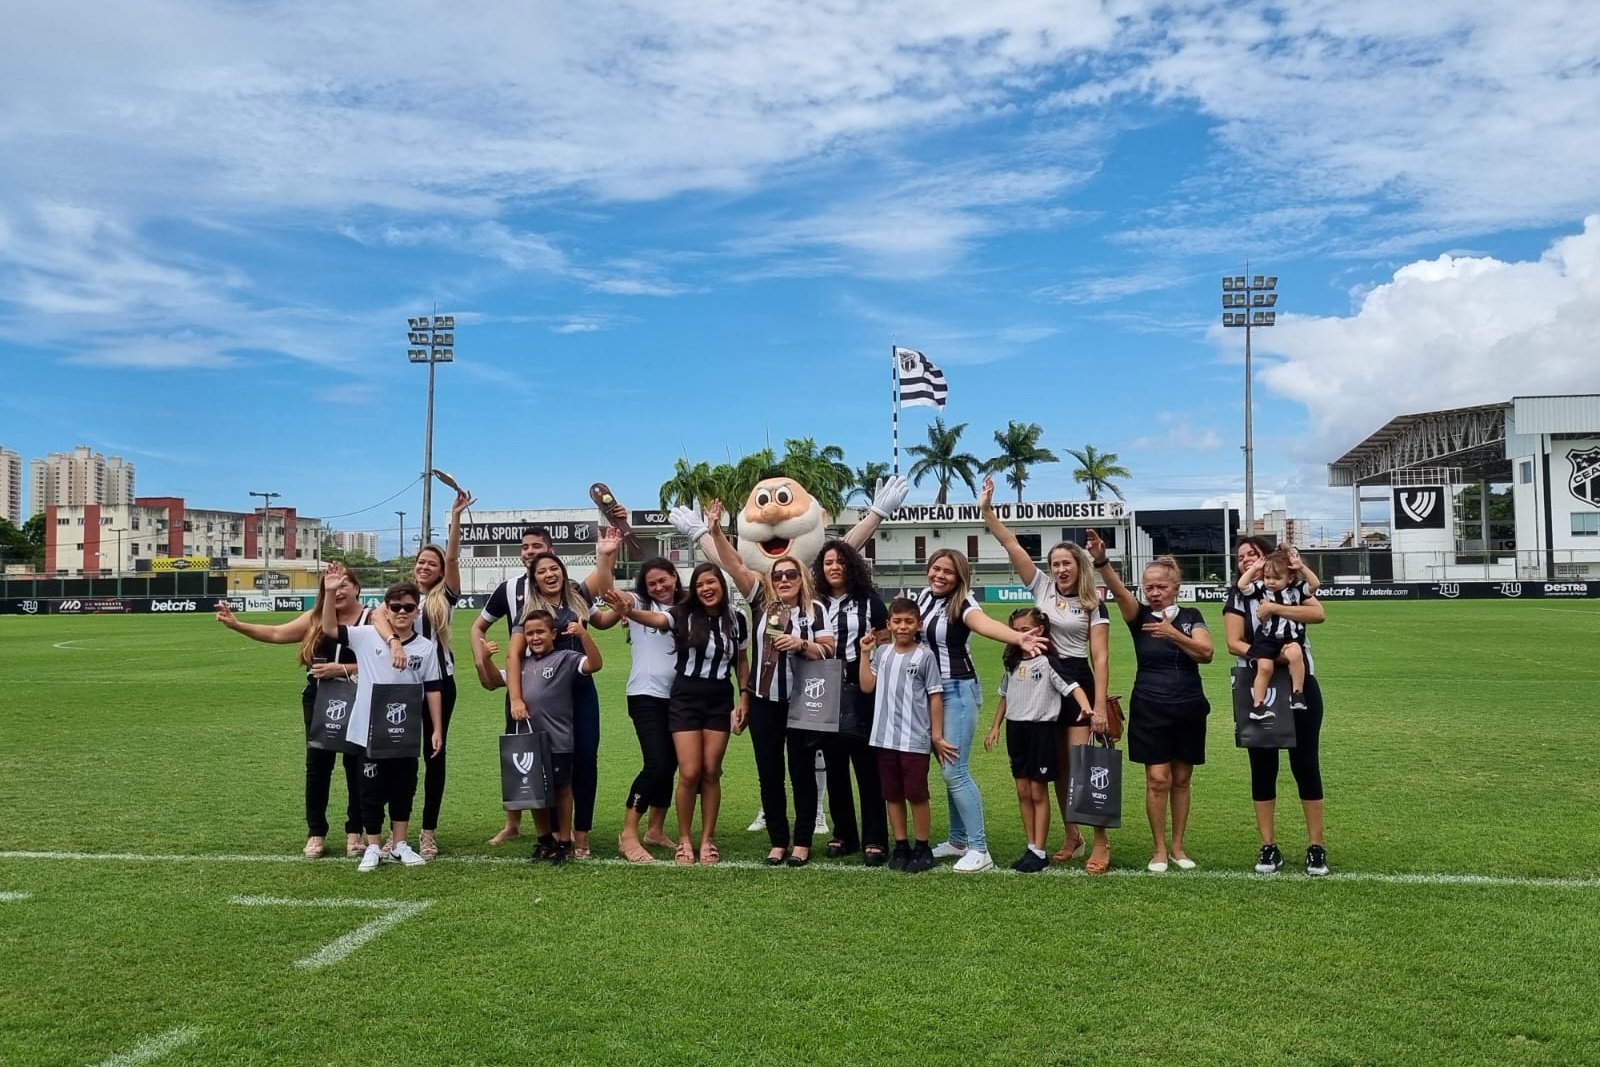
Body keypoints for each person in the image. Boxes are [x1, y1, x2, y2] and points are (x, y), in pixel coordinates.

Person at [979, 475, 1113, 872]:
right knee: (1054, 766)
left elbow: (1101, 657)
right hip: (1043, 680)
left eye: (1066, 563)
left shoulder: (1092, 604)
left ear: (1079, 566)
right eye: (1054, 564)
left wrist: (1099, 707)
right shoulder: (1041, 589)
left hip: (1077, 682)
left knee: (1082, 764)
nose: (1059, 570)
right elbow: (1011, 544)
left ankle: (1100, 843)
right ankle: (1072, 834)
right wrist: (987, 510)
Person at [703, 500, 836, 867]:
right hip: (765, 700)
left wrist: (801, 644)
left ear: (802, 578)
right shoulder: (762, 602)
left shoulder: (817, 609)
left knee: (802, 773)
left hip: (804, 702)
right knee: (769, 773)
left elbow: (829, 650)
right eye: (778, 576)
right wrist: (714, 530)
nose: (783, 581)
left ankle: (802, 842)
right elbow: (734, 564)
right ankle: (778, 840)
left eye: (790, 575)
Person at [471, 525, 619, 850]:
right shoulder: (529, 612)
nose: (549, 574)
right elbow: (512, 656)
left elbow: (602, 621)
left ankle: (581, 834)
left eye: (554, 569)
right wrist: (516, 698)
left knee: (584, 759)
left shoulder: (578, 595)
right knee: (544, 761)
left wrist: (621, 607)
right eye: (542, 571)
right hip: (545, 695)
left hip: (579, 690)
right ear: (534, 578)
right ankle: (552, 834)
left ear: (563, 572)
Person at [214, 560, 367, 858]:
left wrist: (343, 669)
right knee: (318, 765)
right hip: (320, 698)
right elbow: (275, 633)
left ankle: (355, 831)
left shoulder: (373, 618)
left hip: (359, 696)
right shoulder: (316, 618)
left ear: (357, 587)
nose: (338, 590)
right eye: (331, 584)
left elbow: (384, 659)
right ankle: (316, 832)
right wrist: (237, 625)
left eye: (345, 583)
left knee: (356, 764)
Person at [603, 563, 749, 865]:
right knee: (677, 769)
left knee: (708, 770)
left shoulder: (736, 619)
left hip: (712, 697)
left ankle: (693, 837)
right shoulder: (680, 612)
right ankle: (644, 834)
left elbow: (742, 660)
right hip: (666, 695)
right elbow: (655, 618)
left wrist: (745, 696)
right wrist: (626, 611)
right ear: (694, 589)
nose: (706, 589)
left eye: (712, 582)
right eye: (700, 584)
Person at [916, 548, 1047, 874]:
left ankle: (979, 848)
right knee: (948, 770)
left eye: (947, 571)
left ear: (960, 577)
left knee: (954, 771)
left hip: (957, 692)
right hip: (931, 692)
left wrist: (1019, 637)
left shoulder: (964, 603)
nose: (939, 575)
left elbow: (985, 625)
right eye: (935, 568)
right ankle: (958, 839)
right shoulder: (924, 597)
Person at [1089, 535, 1213, 873]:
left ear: (1176, 588)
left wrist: (1173, 634)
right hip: (1150, 706)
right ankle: (1159, 850)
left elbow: (1207, 653)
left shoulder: (1191, 615)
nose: (1153, 592)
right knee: (1158, 778)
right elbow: (1117, 592)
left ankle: (1178, 847)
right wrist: (1101, 562)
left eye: (1160, 586)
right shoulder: (1139, 615)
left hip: (1188, 706)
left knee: (1182, 779)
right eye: (1149, 587)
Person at [371, 487, 473, 858]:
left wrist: (456, 516)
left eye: (433, 563)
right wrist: (394, 642)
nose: (425, 567)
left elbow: (455, 557)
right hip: (401, 683)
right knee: (396, 756)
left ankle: (428, 831)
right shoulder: (403, 599)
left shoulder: (443, 597)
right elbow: (378, 616)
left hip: (439, 683)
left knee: (434, 755)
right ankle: (393, 833)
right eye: (421, 562)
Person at [320, 576, 444, 872]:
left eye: (409, 607)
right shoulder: (365, 636)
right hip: (369, 731)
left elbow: (433, 688)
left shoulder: (426, 648)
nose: (402, 612)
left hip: (405, 733)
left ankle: (400, 844)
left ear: (417, 612)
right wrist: (328, 592)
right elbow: (327, 628)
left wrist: (437, 728)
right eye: (396, 607)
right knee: (370, 790)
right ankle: (373, 846)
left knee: (403, 788)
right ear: (386, 610)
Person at [1225, 536, 1330, 876]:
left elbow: (1318, 613)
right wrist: (1266, 656)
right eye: (1241, 557)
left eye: (1252, 554)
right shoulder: (1241, 596)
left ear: (1269, 558)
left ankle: (1316, 847)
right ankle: (1268, 847)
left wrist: (1276, 609)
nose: (1246, 560)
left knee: (1306, 766)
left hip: (1298, 687)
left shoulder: (1293, 587)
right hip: (1259, 686)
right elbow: (1232, 643)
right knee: (1263, 768)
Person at [984, 608, 1093, 874]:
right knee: (1022, 791)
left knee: (1037, 791)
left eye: (1025, 630)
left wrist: (1086, 707)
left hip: (1041, 731)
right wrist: (995, 726)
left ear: (1040, 631)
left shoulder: (1047, 663)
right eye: (1016, 631)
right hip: (1016, 731)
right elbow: (1004, 695)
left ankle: (1040, 851)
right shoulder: (1012, 663)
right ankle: (1031, 845)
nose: (1020, 635)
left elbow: (1073, 686)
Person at [593, 557, 687, 862]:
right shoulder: (637, 606)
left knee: (673, 763)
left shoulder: (687, 607)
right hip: (646, 695)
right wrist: (607, 558)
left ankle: (655, 830)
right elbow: (616, 595)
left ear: (675, 577)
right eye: (652, 583)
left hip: (681, 697)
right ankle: (629, 833)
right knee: (657, 763)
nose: (659, 587)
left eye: (663, 580)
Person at [811, 539, 890, 865]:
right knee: (835, 765)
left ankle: (876, 837)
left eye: (840, 561)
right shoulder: (813, 602)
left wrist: (872, 643)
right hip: (824, 687)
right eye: (828, 562)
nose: (834, 567)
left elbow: (889, 633)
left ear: (851, 565)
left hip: (862, 688)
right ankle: (845, 833)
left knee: (868, 766)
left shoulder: (869, 601)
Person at [507, 608, 604, 865]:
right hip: (531, 742)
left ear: (553, 633)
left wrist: (583, 635)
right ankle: (545, 840)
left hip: (559, 739)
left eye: (540, 632)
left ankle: (564, 840)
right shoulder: (523, 664)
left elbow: (595, 664)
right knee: (534, 791)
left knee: (562, 789)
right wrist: (482, 659)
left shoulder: (566, 658)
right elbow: (493, 680)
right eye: (529, 633)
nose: (535, 637)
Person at [859, 599, 947, 873]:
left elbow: (935, 696)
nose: (903, 627)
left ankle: (922, 845)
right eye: (897, 621)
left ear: (918, 625)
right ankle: (901, 844)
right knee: (892, 794)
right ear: (889, 625)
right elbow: (866, 686)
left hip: (914, 739)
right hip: (884, 737)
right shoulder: (882, 652)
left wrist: (936, 734)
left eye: (909, 621)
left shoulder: (925, 656)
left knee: (916, 794)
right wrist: (864, 653)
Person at [1236, 549, 1310, 718]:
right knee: (1264, 668)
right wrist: (1255, 568)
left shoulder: (1295, 590)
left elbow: (1314, 585)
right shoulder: (1261, 589)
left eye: (1276, 578)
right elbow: (1242, 585)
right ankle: (1258, 706)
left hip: (1289, 637)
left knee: (1296, 653)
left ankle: (1297, 693)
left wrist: (1302, 568)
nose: (1271, 582)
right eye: (1267, 577)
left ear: (1289, 578)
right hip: (1268, 638)